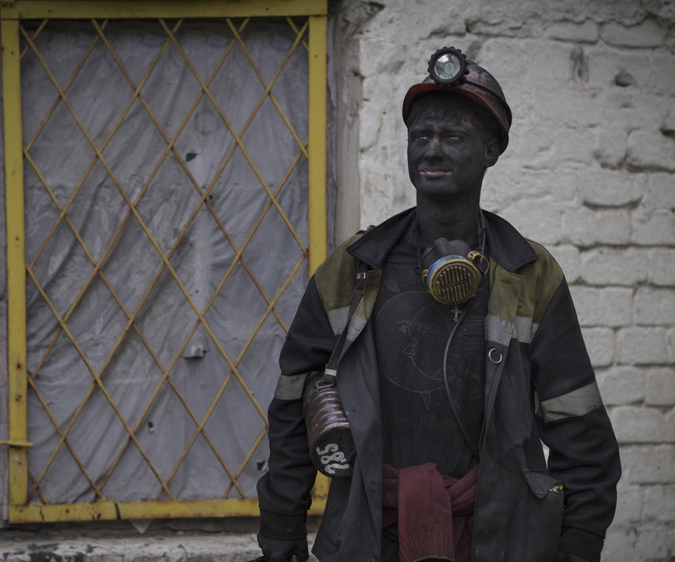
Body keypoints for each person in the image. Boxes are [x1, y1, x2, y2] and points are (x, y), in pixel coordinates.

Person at [256, 47, 621, 562]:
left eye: (453, 137)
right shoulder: (352, 270)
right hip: (371, 534)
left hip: (498, 537)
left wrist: (579, 546)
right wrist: (279, 530)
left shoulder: (529, 275)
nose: (432, 150)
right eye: (420, 136)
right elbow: (294, 407)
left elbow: (580, 430)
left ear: (492, 150)